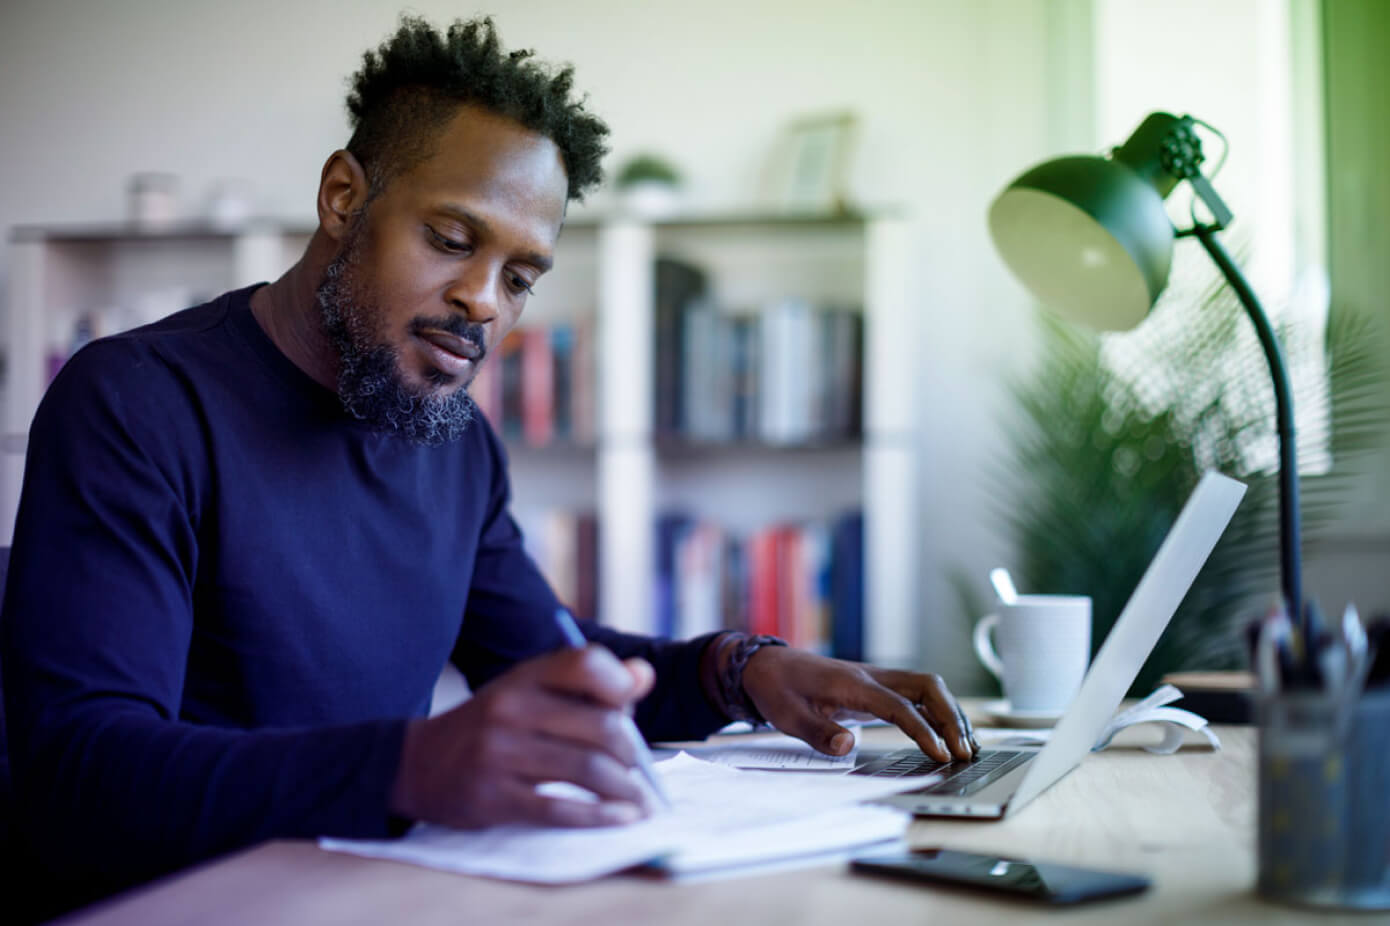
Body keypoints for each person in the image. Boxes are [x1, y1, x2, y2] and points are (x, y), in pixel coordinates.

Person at [0, 14, 976, 915]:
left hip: (364, 892)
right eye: (451, 238)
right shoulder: (136, 401)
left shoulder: (455, 443)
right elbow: (80, 768)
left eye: (519, 276)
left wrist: (739, 670)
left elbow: (559, 656)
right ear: (344, 197)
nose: (482, 301)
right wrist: (409, 766)